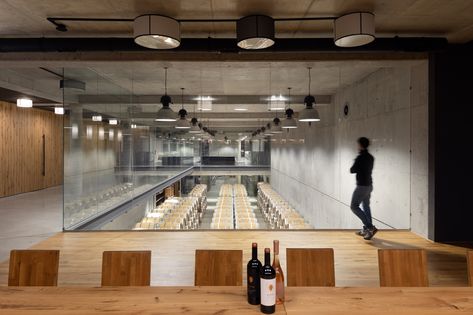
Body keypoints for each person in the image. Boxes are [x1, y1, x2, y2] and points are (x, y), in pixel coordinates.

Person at [350, 137, 377, 240]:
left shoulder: (360, 157)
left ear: (360, 145)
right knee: (366, 206)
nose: (357, 146)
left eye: (358, 144)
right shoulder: (371, 157)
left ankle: (370, 227)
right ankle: (367, 230)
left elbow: (352, 170)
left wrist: (356, 162)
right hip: (369, 185)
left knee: (354, 206)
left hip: (361, 186)